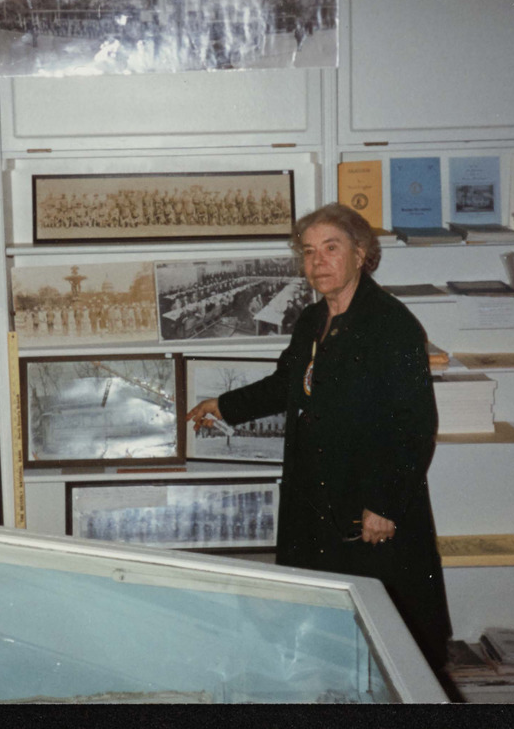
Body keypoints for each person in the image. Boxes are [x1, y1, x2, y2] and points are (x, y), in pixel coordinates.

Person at [185, 203, 453, 676]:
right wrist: (222, 405)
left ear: (361, 254)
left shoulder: (391, 325)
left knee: (382, 644)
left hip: (368, 511)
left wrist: (385, 503)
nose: (318, 262)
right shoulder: (312, 320)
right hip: (315, 503)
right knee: (323, 640)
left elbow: (414, 424)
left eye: (331, 248)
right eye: (308, 252)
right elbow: (284, 384)